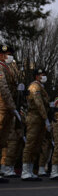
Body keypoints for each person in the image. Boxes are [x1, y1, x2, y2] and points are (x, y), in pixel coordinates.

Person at [21, 69, 49, 181]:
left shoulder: (41, 87)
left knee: (36, 146)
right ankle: (25, 171)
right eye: (42, 75)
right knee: (30, 144)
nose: (44, 76)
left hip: (40, 119)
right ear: (37, 76)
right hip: (34, 118)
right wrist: (45, 118)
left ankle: (31, 170)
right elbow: (39, 103)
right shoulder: (34, 86)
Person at [0, 45, 17, 183]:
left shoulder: (7, 69)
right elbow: (4, 88)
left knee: (2, 140)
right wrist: (12, 106)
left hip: (6, 108)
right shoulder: (0, 68)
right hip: (2, 107)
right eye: (7, 54)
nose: (10, 56)